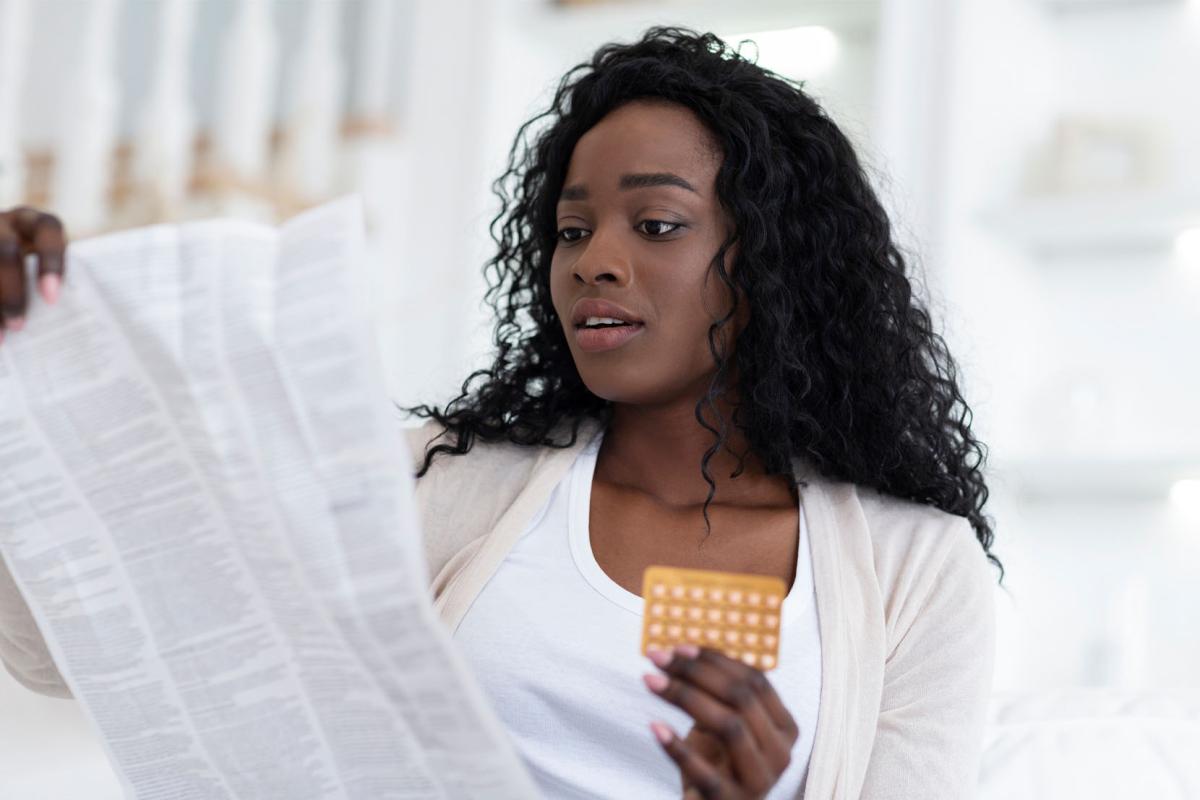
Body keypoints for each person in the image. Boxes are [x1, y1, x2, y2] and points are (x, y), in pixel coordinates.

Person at [0, 26, 1003, 800]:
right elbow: (80, 639)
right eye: (572, 229)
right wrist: (33, 356)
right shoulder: (433, 480)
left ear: (772, 263)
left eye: (655, 224)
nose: (595, 260)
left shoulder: (916, 570)